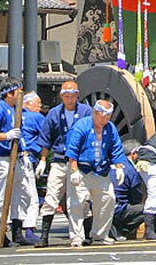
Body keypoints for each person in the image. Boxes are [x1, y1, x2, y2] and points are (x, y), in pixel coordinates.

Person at [36, 80, 92, 248]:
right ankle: (44, 236)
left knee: (79, 198)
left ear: (77, 95)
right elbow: (46, 138)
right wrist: (43, 160)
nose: (69, 100)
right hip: (59, 159)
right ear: (61, 96)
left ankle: (87, 234)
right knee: (51, 196)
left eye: (72, 96)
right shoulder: (54, 113)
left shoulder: (86, 111)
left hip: (79, 161)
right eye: (66, 96)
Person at [65, 99, 125, 248]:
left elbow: (116, 148)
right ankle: (76, 237)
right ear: (94, 113)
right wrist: (73, 170)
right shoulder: (81, 126)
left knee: (108, 199)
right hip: (81, 169)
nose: (106, 120)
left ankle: (100, 234)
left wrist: (119, 167)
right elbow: (72, 149)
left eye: (108, 117)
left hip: (101, 170)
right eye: (103, 117)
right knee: (76, 203)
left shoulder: (110, 128)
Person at [0, 77, 32, 247]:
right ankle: (1, 233)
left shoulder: (16, 109)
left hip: (16, 156)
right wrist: (6, 136)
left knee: (20, 194)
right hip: (2, 157)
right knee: (3, 195)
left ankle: (17, 232)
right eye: (19, 91)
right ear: (10, 93)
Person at [21, 92, 44, 244]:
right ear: (28, 104)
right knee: (32, 198)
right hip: (27, 158)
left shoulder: (14, 117)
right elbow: (48, 134)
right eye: (38, 103)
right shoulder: (35, 117)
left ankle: (15, 228)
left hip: (14, 157)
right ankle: (29, 229)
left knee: (19, 197)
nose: (40, 106)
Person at [109, 140, 144, 241]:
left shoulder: (109, 162)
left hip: (98, 206)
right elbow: (136, 197)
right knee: (149, 208)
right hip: (118, 208)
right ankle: (121, 229)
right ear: (133, 154)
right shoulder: (130, 169)